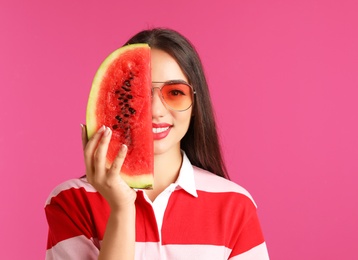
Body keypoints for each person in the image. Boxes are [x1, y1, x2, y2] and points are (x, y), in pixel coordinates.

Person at [45, 28, 269, 260]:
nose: (156, 111)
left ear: (195, 104)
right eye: (136, 95)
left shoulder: (234, 204)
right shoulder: (72, 200)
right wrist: (121, 210)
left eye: (174, 92)